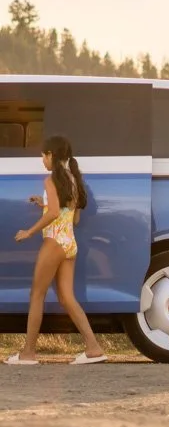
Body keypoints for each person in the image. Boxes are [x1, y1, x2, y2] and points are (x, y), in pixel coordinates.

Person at [6, 135, 107, 366]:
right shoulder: (73, 180)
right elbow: (72, 216)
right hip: (69, 243)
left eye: (43, 155)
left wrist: (29, 232)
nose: (42, 159)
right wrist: (43, 204)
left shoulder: (50, 181)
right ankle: (94, 348)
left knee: (36, 295)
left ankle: (28, 354)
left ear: (51, 155)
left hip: (53, 242)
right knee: (67, 297)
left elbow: (54, 214)